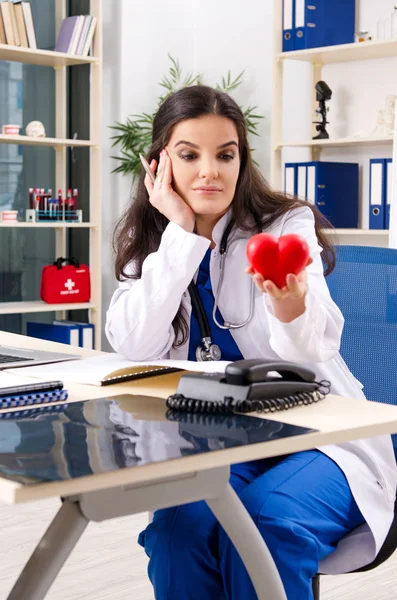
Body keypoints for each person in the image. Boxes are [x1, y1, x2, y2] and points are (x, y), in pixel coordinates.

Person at [105, 85, 396, 600]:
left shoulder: (284, 226)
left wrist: (290, 307)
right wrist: (181, 233)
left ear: (243, 160)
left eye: (225, 154)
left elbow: (314, 345)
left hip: (317, 438)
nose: (209, 172)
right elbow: (132, 344)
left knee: (267, 521)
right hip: (218, 440)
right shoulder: (153, 240)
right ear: (159, 165)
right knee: (180, 527)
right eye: (189, 155)